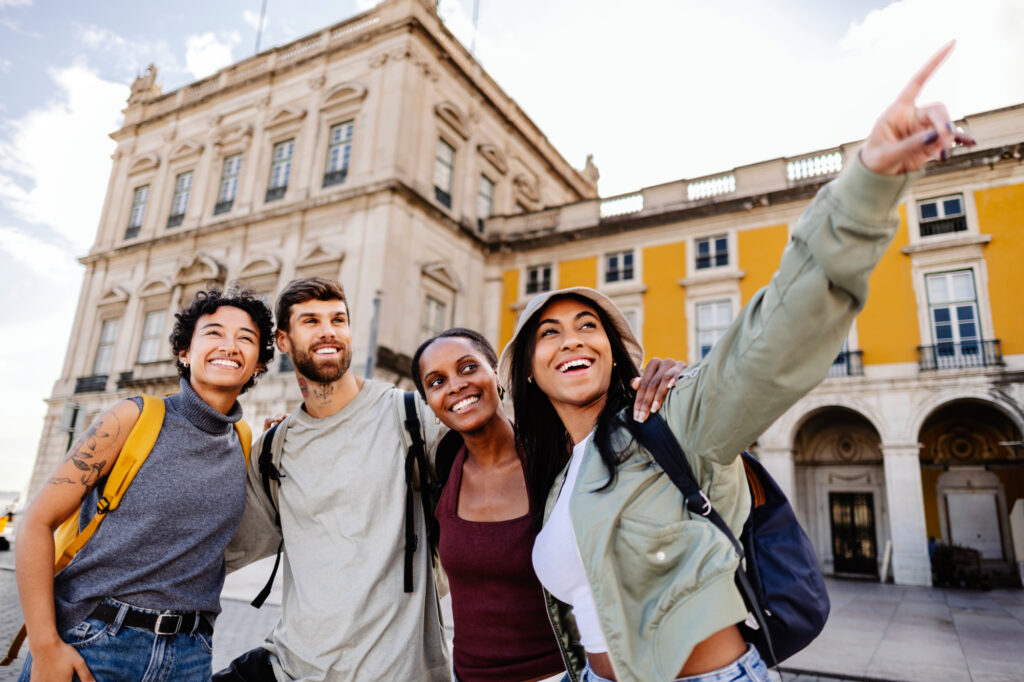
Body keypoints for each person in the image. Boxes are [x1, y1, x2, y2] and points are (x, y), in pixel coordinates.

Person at [497, 44, 974, 682]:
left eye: (590, 327)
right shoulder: (557, 478)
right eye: (550, 333)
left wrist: (868, 185)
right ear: (530, 369)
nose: (574, 341)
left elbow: (768, 341)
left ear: (615, 353)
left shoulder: (672, 419)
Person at [15, 286, 275, 682]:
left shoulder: (241, 441)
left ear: (258, 363)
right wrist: (44, 644)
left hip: (190, 655)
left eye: (246, 338)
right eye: (214, 333)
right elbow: (36, 523)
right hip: (97, 643)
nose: (230, 345)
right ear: (185, 353)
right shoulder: (132, 417)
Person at [410, 329, 683, 682]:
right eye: (436, 381)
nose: (456, 385)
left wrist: (671, 387)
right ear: (430, 403)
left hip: (563, 674)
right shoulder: (442, 468)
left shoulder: (559, 455)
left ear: (496, 374)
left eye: (467, 368)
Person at [220, 277, 450, 682]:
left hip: (398, 672)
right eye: (311, 320)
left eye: (338, 319)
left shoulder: (412, 418)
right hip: (292, 667)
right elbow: (217, 549)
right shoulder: (275, 447)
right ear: (285, 340)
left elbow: (493, 497)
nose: (329, 330)